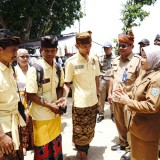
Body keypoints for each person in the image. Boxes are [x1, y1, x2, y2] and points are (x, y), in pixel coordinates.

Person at [113, 45, 160, 160]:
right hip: (135, 128)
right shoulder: (144, 74)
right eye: (142, 56)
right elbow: (138, 96)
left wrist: (127, 101)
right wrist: (126, 95)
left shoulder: (157, 80)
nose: (141, 60)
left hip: (146, 133)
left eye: (145, 57)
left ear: (155, 58)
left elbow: (151, 106)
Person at [61, 31, 100, 160]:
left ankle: (84, 147)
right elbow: (67, 83)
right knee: (79, 129)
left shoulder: (94, 59)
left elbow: (96, 78)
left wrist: (98, 96)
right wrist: (64, 97)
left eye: (89, 45)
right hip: (80, 103)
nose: (87, 49)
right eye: (84, 46)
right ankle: (82, 152)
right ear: (77, 46)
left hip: (93, 101)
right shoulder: (71, 62)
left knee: (89, 128)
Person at [26, 35, 65, 160]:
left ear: (56, 50)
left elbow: (60, 87)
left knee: (56, 147)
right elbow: (31, 95)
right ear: (41, 50)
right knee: (43, 149)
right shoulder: (35, 69)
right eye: (46, 50)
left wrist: (60, 101)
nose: (49, 53)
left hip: (55, 116)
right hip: (41, 117)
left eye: (52, 50)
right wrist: (50, 106)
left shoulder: (58, 68)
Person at [108, 30, 141, 160]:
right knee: (119, 122)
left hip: (128, 99)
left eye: (124, 46)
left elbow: (140, 82)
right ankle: (123, 143)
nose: (120, 48)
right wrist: (109, 93)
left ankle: (130, 149)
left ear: (132, 46)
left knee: (129, 125)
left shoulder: (137, 60)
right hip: (116, 98)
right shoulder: (115, 60)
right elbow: (112, 77)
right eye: (119, 45)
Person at [0, 29, 26, 159]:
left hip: (14, 125)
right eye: (13, 50)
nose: (16, 54)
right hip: (3, 130)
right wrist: (2, 136)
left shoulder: (10, 68)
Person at [15, 48, 34, 156]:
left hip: (32, 97)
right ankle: (23, 146)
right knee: (22, 121)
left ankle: (33, 143)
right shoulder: (14, 71)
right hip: (20, 98)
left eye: (27, 56)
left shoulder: (33, 69)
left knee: (33, 119)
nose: (25, 58)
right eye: (22, 56)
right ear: (17, 57)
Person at [97, 41, 115, 123]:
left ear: (111, 48)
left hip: (112, 79)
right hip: (103, 79)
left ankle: (113, 113)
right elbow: (98, 70)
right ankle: (101, 114)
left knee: (112, 97)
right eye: (104, 48)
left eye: (107, 48)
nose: (106, 49)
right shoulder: (100, 58)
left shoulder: (116, 58)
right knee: (101, 97)